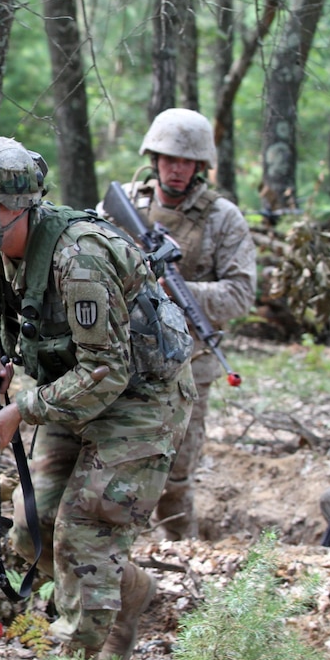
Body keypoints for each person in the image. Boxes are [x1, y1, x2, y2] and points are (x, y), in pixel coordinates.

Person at [0, 136, 195, 660]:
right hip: (74, 386)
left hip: (140, 397)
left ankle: (77, 652)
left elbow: (108, 369)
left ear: (14, 208)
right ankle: (127, 589)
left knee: (85, 530)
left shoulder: (79, 258)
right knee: (33, 525)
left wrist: (23, 410)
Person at [101, 108, 257, 540]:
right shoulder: (123, 205)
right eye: (168, 159)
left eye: (186, 161)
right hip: (121, 358)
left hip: (189, 361)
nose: (175, 169)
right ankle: (119, 554)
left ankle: (182, 551)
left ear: (201, 166)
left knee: (176, 473)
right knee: (111, 467)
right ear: (153, 158)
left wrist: (177, 289)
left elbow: (240, 294)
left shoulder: (223, 217)